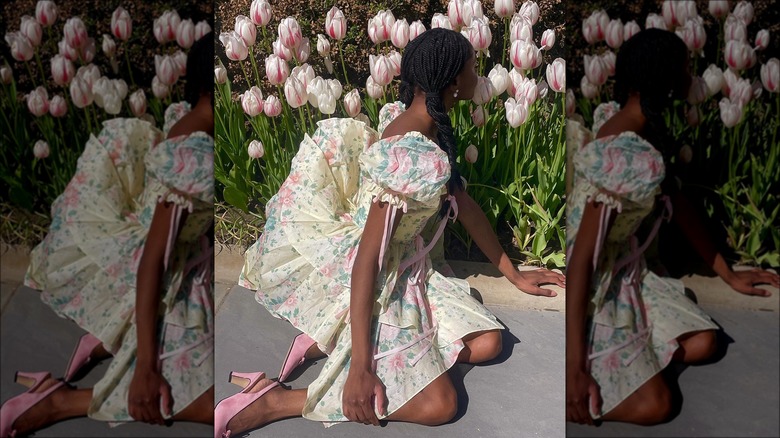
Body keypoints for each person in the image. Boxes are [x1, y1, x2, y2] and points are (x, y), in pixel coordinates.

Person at [216, 28, 565, 436]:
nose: (479, 75)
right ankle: (278, 399)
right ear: (453, 81)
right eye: (474, 66)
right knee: (440, 405)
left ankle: (331, 344)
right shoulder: (409, 154)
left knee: (488, 343)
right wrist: (362, 368)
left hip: (405, 263)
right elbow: (369, 258)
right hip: (378, 276)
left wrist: (515, 274)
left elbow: (462, 204)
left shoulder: (426, 124)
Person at [0, 32, 216, 436]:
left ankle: (106, 345)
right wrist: (147, 368)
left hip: (185, 264)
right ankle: (61, 401)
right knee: (206, 401)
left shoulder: (199, 124)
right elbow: (155, 260)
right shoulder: (195, 151)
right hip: (158, 271)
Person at [565, 28, 780, 426]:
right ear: (664, 79)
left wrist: (729, 275)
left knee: (703, 343)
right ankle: (570, 394)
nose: (691, 78)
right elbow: (580, 260)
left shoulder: (640, 129)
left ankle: (632, 359)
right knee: (658, 406)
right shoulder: (620, 152)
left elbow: (677, 204)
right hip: (596, 285)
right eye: (684, 69)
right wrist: (574, 368)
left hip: (629, 271)